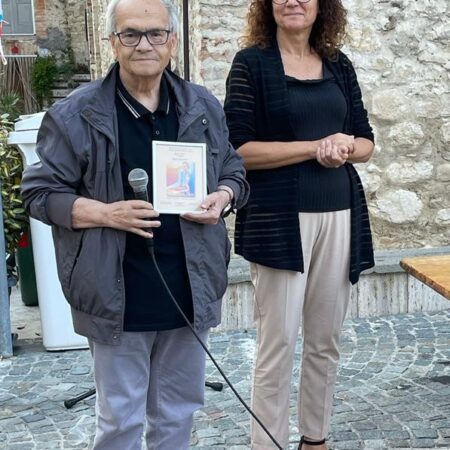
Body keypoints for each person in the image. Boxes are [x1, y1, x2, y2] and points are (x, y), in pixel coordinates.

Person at [21, 0, 248, 449]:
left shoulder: (200, 105)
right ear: (113, 43)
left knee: (178, 412)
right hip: (116, 290)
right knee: (120, 420)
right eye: (130, 34)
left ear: (172, 41)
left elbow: (234, 170)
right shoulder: (75, 114)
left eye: (155, 33)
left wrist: (222, 198)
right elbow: (40, 194)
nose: (144, 43)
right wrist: (106, 213)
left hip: (189, 283)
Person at [224, 0, 375, 449]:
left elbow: (366, 141)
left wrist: (346, 145)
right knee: (278, 344)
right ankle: (267, 442)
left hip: (340, 214)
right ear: (268, 5)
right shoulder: (251, 63)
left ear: (321, 6)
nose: (293, 1)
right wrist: (314, 148)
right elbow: (239, 150)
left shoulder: (337, 64)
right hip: (278, 222)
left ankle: (316, 439)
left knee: (325, 341)